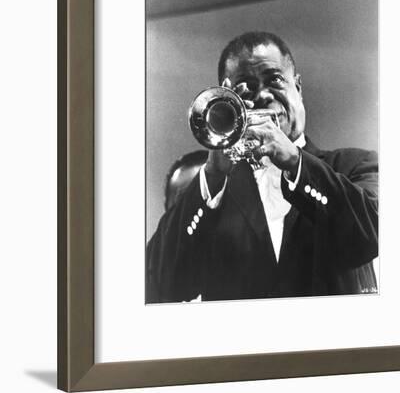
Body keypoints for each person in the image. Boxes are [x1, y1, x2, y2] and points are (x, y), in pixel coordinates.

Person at [146, 32, 378, 303]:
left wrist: (294, 161)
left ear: (298, 88)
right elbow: (158, 284)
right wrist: (213, 173)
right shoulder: (214, 192)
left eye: (275, 80)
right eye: (247, 86)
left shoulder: (354, 165)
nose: (264, 95)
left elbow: (372, 234)